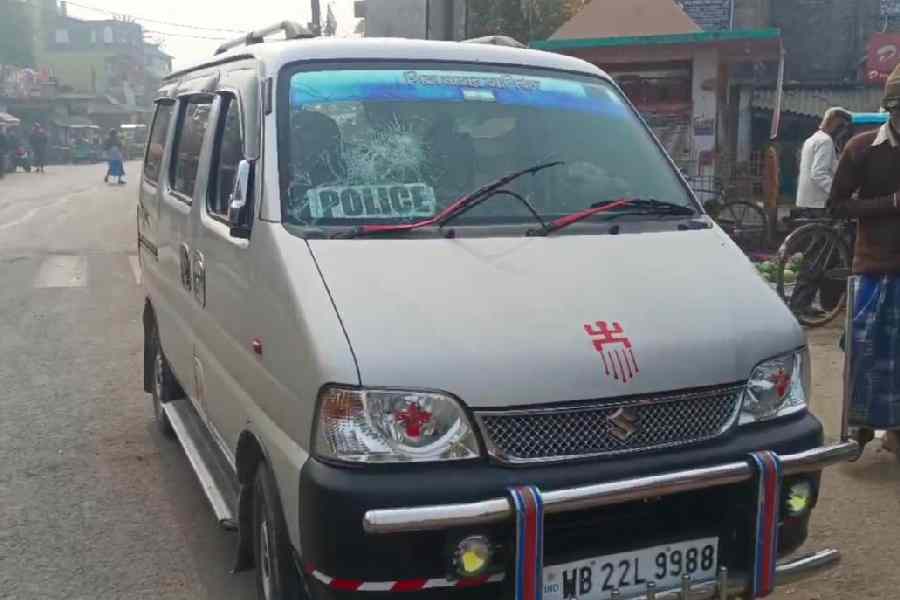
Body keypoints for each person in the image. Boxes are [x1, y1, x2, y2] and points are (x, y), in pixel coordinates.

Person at [829, 64, 900, 454]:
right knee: (864, 352)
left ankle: (895, 431)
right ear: (892, 107)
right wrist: (891, 203)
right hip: (874, 266)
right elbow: (837, 206)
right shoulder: (862, 148)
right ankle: (859, 426)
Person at [797, 107, 852, 216]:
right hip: (818, 201)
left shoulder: (812, 139)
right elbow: (818, 173)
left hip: (807, 199)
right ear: (836, 124)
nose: (844, 132)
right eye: (843, 127)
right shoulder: (825, 141)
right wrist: (837, 192)